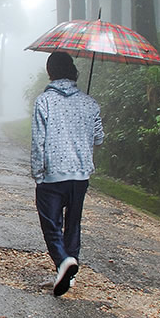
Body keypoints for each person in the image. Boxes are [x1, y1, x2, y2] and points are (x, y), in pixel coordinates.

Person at [31, 51, 104, 296]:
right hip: (80, 175)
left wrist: (37, 173)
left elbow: (38, 140)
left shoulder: (45, 101)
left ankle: (63, 261)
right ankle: (69, 272)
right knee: (73, 224)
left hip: (53, 174)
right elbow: (99, 138)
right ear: (73, 72)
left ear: (51, 72)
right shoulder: (89, 103)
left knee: (51, 224)